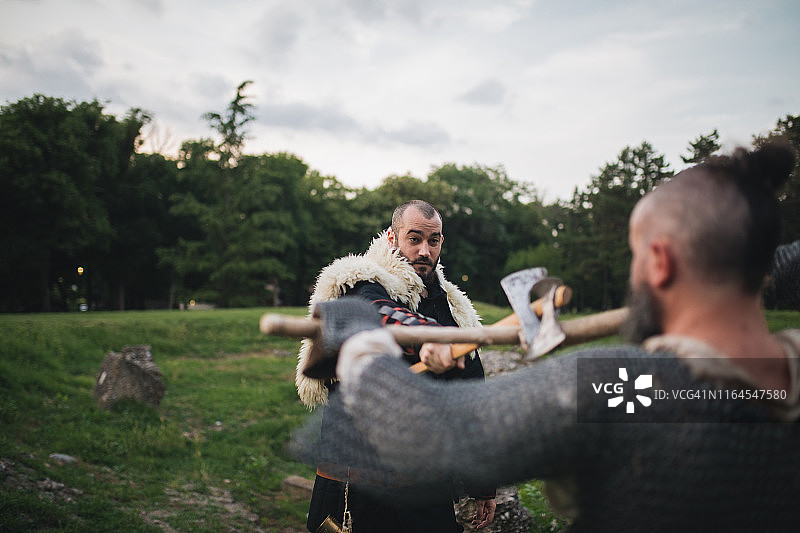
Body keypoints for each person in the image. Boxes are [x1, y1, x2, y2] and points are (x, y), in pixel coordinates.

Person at [306, 143, 800, 532]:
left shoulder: (603, 388)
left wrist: (361, 352)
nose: (425, 248)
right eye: (415, 237)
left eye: (635, 255)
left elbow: (441, 422)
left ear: (661, 262)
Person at [297, 200, 496, 532]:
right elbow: (376, 312)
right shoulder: (362, 281)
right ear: (392, 237)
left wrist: (482, 483)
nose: (424, 250)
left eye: (433, 241)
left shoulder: (450, 305)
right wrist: (426, 337)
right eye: (414, 238)